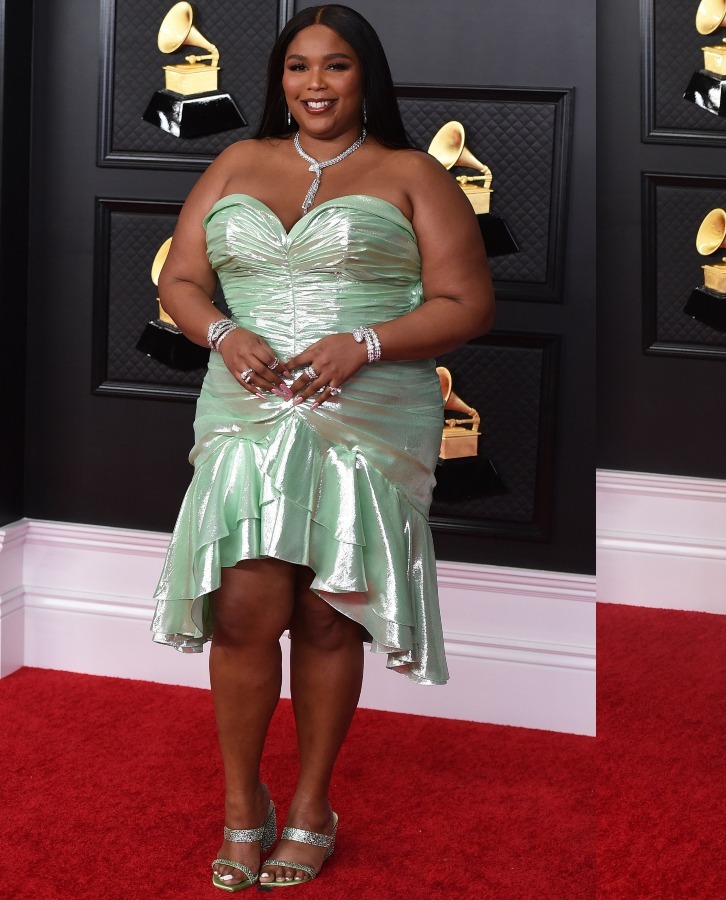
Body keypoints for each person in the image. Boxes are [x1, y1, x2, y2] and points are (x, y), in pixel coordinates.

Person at [149, 5, 494, 891]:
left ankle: (310, 805)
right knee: (244, 609)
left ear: (365, 78)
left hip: (368, 413)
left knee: (328, 611)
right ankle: (241, 806)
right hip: (248, 407)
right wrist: (224, 332)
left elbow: (466, 304)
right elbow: (181, 278)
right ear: (278, 80)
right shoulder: (235, 161)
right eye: (297, 66)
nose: (313, 84)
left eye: (335, 67)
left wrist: (367, 341)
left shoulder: (412, 172)